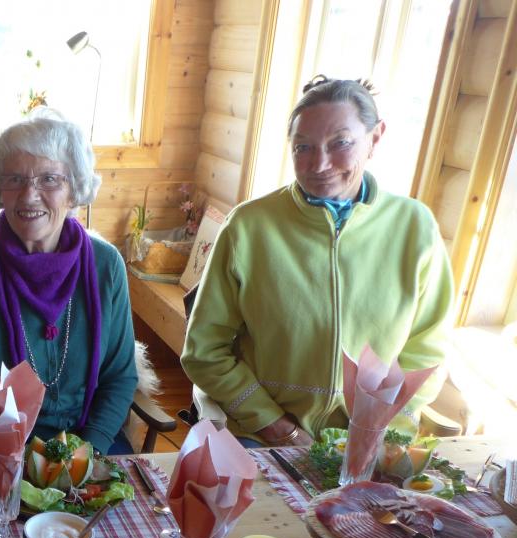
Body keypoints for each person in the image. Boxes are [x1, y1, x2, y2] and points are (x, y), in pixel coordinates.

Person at [181, 76, 454, 446]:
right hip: (264, 434)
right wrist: (278, 427)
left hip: (377, 438)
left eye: (340, 143)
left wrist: (377, 430)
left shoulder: (415, 227)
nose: (319, 164)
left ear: (375, 138)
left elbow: (428, 351)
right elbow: (204, 352)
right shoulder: (249, 227)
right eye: (303, 147)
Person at [0, 111, 137, 459]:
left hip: (89, 444)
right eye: (15, 179)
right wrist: (16, 459)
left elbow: (119, 377)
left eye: (49, 179)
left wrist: (87, 453)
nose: (29, 195)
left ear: (74, 191)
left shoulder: (107, 266)